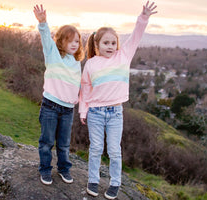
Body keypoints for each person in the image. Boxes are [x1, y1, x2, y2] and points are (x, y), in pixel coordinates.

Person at [79, 1, 157, 199]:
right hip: (95, 112)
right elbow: (85, 89)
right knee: (96, 148)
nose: (110, 47)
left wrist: (143, 17)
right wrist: (83, 110)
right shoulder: (91, 64)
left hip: (115, 113)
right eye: (106, 43)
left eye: (113, 43)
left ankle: (115, 182)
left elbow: (136, 35)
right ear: (96, 45)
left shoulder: (124, 56)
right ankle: (93, 180)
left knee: (114, 150)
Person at [33, 4, 84, 185]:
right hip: (50, 106)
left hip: (68, 110)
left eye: (77, 41)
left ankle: (64, 169)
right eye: (70, 41)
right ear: (61, 41)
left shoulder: (77, 62)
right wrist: (43, 22)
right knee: (47, 142)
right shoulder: (53, 55)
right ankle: (45, 170)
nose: (74, 44)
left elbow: (79, 85)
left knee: (63, 144)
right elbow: (46, 38)